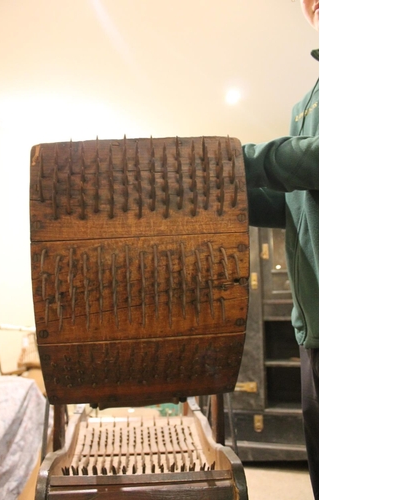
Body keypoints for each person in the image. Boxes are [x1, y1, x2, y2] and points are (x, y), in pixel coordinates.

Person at [242, 1, 319, 498]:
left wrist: (235, 160)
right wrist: (225, 194)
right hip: (314, 326)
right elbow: (295, 204)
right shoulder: (306, 103)